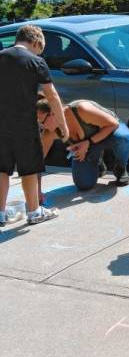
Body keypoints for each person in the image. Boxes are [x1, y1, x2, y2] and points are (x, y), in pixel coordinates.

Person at [0, 25, 68, 226]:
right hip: (24, 125)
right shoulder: (36, 61)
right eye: (41, 48)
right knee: (29, 169)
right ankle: (34, 211)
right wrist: (62, 125)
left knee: (1, 169)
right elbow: (52, 96)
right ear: (36, 42)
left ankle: (0, 214)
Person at [37, 97, 129, 191]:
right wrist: (38, 192)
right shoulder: (48, 133)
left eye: (42, 122)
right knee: (84, 185)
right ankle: (98, 162)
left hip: (110, 131)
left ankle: (120, 166)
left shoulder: (81, 109)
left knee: (124, 138)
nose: (42, 126)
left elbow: (113, 124)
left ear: (53, 113)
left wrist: (88, 142)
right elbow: (38, 162)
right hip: (88, 145)